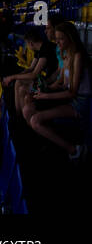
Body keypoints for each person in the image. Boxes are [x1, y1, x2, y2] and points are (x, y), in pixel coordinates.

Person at [26, 22, 90, 161]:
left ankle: (75, 150)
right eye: (56, 38)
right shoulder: (65, 53)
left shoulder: (77, 56)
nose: (57, 42)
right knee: (30, 103)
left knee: (35, 120)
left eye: (60, 38)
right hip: (70, 98)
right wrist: (44, 89)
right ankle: (48, 142)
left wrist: (46, 95)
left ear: (70, 38)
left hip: (80, 103)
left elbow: (72, 92)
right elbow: (64, 84)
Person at [9, 27, 60, 114]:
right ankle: (17, 113)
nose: (27, 47)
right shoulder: (38, 49)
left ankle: (22, 117)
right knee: (18, 81)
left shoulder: (46, 48)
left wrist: (12, 77)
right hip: (45, 79)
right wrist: (20, 75)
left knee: (22, 89)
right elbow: (31, 68)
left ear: (31, 43)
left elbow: (34, 74)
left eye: (27, 44)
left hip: (51, 81)